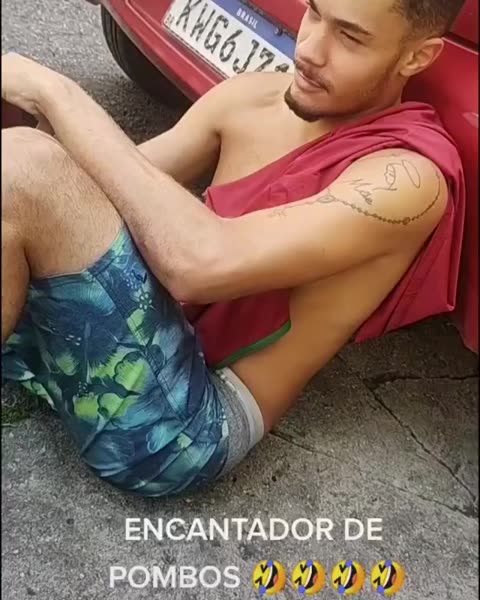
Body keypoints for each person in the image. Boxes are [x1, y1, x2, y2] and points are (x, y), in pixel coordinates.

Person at [1, 0, 466, 497]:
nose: (309, 49)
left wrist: (59, 97)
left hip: (187, 426)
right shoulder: (252, 97)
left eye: (350, 38)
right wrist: (49, 139)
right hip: (142, 336)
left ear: (416, 57)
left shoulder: (406, 180)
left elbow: (196, 264)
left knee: (28, 167)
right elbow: (97, 192)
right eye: (313, 12)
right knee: (27, 167)